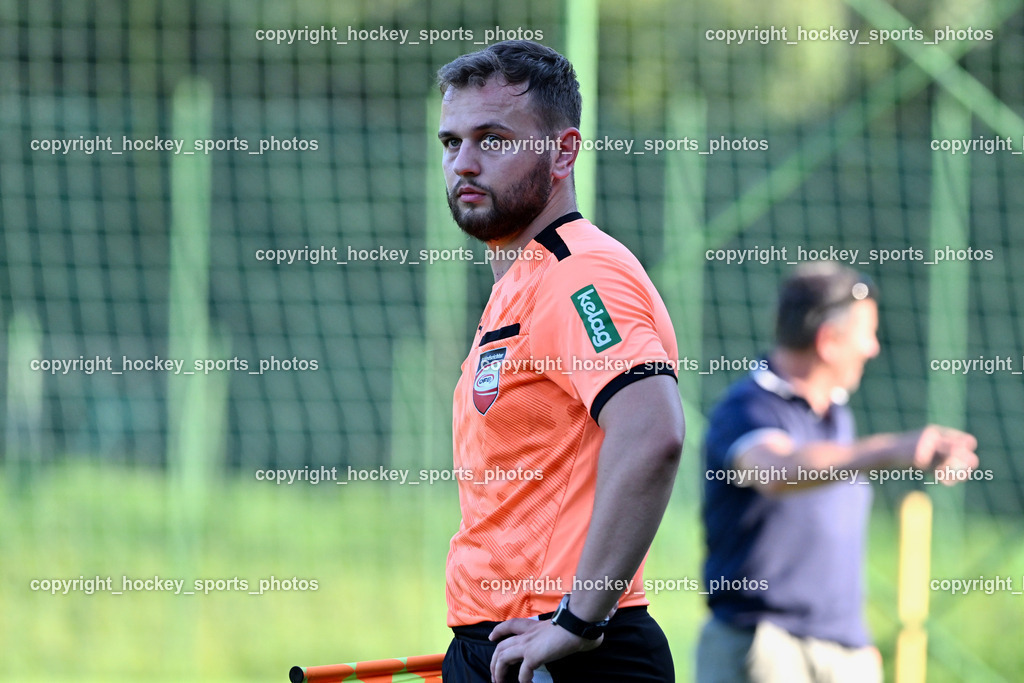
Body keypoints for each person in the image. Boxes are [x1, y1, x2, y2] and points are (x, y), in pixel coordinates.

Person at [435, 40, 685, 683]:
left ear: (563, 152)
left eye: (492, 139)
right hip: (509, 645)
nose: (464, 163)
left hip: (569, 654)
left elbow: (653, 433)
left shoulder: (581, 275)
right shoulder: (523, 280)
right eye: (451, 142)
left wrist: (578, 620)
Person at [696, 262, 979, 683]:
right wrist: (891, 448)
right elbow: (777, 470)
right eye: (867, 334)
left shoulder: (837, 416)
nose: (874, 348)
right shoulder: (748, 408)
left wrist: (855, 644)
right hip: (768, 647)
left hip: (844, 652)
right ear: (828, 342)